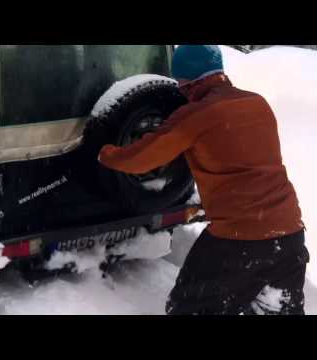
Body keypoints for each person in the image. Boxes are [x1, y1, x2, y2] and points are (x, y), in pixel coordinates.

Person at [98, 45, 309, 315]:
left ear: (188, 82)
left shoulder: (197, 115)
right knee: (277, 310)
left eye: (182, 85)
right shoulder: (257, 103)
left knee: (189, 308)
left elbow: (142, 157)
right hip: (289, 234)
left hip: (237, 239)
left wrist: (105, 153)